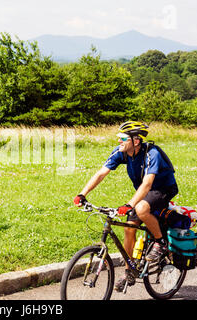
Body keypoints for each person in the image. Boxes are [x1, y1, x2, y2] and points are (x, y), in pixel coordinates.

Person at [73, 121, 178, 292]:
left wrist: (129, 204)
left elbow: (147, 183)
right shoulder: (121, 152)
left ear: (136, 141)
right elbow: (101, 173)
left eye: (123, 138)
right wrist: (82, 194)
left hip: (163, 188)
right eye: (118, 138)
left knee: (141, 209)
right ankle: (130, 270)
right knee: (129, 228)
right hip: (145, 191)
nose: (119, 141)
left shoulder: (152, 153)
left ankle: (160, 243)